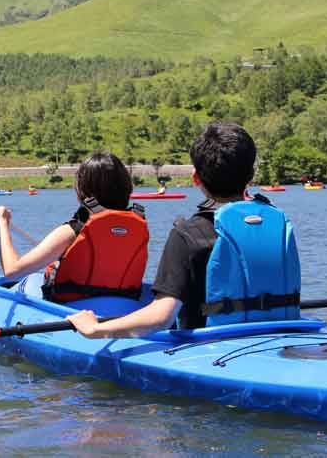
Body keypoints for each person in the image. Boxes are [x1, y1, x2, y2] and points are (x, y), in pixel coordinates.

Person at [67, 122, 301, 338]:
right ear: (251, 175)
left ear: (196, 178)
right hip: (279, 337)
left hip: (210, 349)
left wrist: (95, 328)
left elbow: (161, 316)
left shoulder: (188, 235)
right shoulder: (276, 226)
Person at [0, 152, 149, 301]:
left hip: (75, 310)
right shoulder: (138, 227)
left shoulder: (73, 231)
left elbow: (12, 271)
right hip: (125, 307)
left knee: (26, 283)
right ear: (126, 186)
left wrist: (3, 223)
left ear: (83, 189)